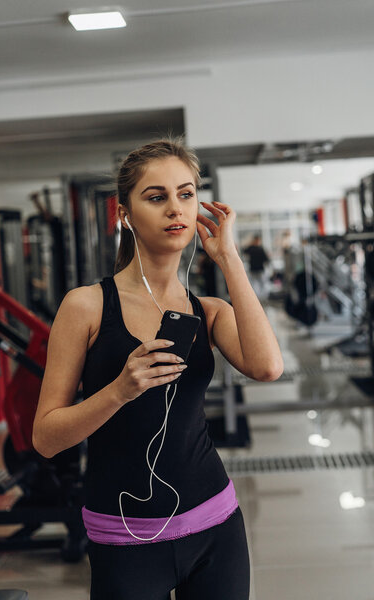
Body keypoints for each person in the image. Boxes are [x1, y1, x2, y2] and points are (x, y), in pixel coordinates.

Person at [32, 138, 284, 599]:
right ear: (124, 213)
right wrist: (119, 390)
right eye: (157, 196)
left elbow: (268, 368)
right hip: (123, 537)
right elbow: (46, 438)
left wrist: (228, 258)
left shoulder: (208, 311)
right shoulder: (86, 306)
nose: (176, 208)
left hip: (215, 524)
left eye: (186, 194)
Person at [242, 234, 270, 301]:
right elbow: (244, 251)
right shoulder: (252, 248)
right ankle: (256, 298)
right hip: (253, 269)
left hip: (259, 269)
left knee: (262, 283)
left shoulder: (260, 249)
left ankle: (263, 297)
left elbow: (266, 259)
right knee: (254, 284)